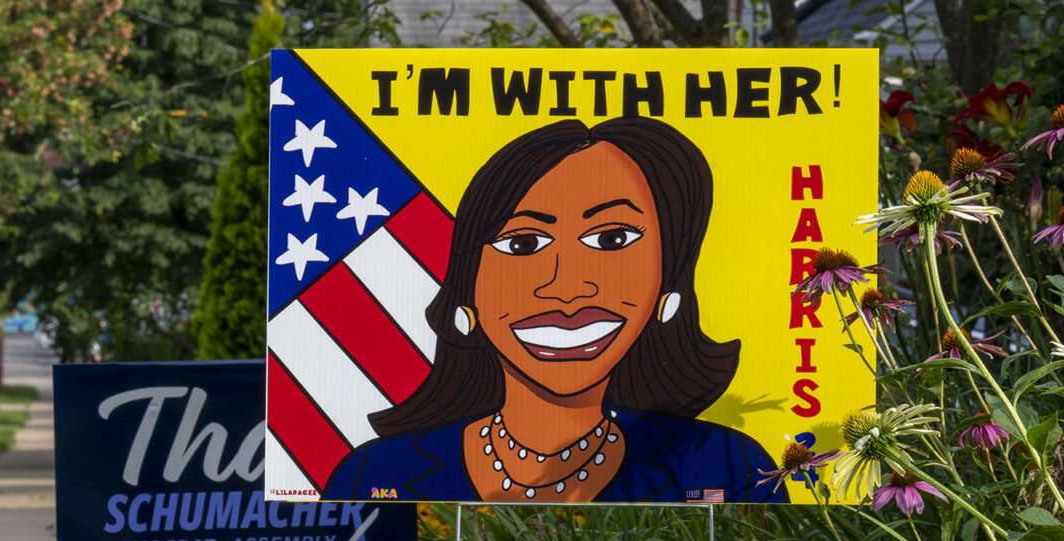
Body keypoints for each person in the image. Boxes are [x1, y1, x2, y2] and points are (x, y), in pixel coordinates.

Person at [323, 117, 787, 503]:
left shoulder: (730, 467)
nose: (567, 288)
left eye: (612, 239)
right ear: (468, 292)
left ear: (667, 286)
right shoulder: (373, 475)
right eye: (523, 243)